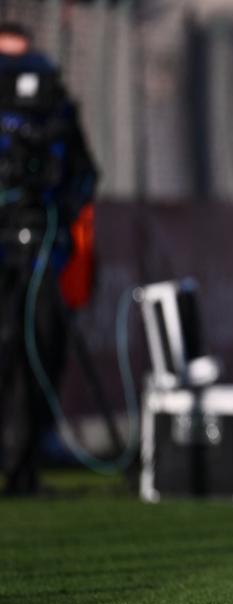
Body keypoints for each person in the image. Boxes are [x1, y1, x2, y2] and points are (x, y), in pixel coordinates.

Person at [0, 22, 98, 495]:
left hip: (39, 247)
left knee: (39, 347)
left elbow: (83, 173)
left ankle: (23, 466)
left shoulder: (54, 110)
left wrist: (58, 214)